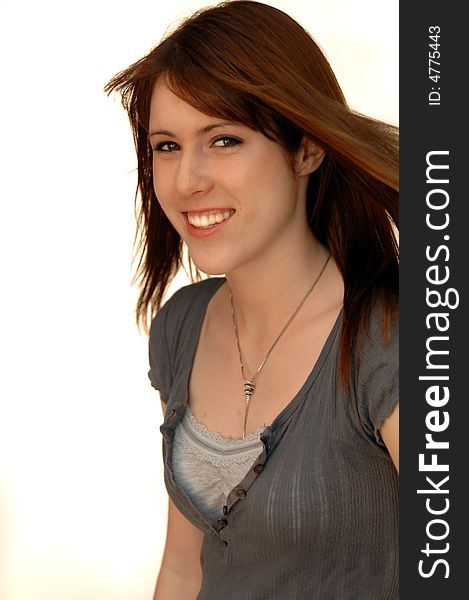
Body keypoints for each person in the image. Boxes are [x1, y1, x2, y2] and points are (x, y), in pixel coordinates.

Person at [105, 1, 399, 598]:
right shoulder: (181, 327)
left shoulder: (386, 339)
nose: (188, 181)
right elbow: (184, 570)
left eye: (224, 140)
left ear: (307, 149)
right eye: (166, 146)